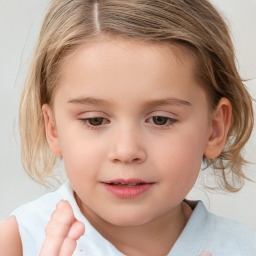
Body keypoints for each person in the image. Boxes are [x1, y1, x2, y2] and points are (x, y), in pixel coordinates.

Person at [0, 0, 255, 255]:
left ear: (214, 129)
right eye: (95, 120)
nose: (126, 150)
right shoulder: (17, 243)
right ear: (53, 128)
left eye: (160, 119)